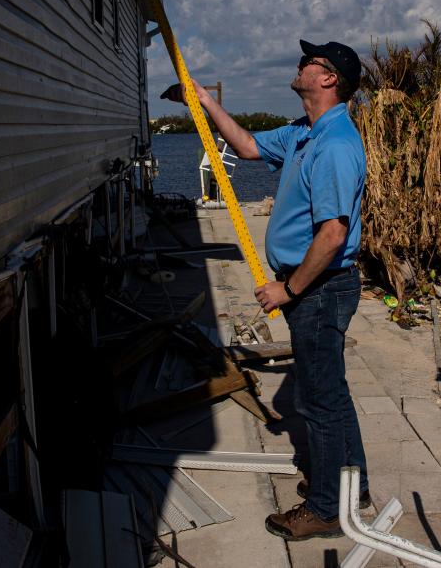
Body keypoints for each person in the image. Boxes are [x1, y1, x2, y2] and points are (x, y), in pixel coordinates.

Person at [162, 39, 369, 540]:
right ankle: (349, 486)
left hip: (319, 290)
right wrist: (205, 102)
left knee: (318, 402)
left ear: (328, 79)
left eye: (310, 62)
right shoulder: (304, 132)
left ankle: (325, 509)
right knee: (331, 394)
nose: (300, 65)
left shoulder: (337, 143)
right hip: (313, 289)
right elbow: (249, 146)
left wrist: (288, 289)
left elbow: (333, 234)